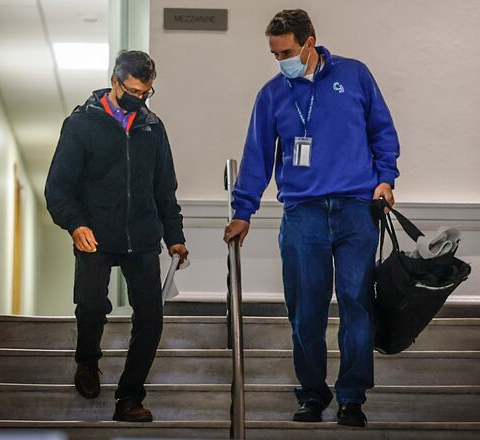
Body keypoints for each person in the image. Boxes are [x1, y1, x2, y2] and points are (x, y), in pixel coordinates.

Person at [223, 9, 400, 428]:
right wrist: (242, 211)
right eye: (273, 52)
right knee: (305, 312)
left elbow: (382, 131)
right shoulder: (272, 94)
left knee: (357, 306)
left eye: (285, 51)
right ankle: (312, 395)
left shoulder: (355, 76)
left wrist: (385, 179)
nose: (279, 59)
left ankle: (352, 398)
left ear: (309, 43)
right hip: (303, 214)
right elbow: (256, 157)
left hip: (357, 209)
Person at [45, 50, 188, 423]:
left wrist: (175, 236)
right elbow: (58, 188)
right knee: (92, 304)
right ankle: (88, 362)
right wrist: (76, 225)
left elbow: (164, 190)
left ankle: (129, 397)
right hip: (95, 233)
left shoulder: (152, 127)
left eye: (147, 93)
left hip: (141, 236)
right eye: (135, 91)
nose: (140, 99)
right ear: (115, 81)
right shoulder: (81, 125)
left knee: (151, 319)